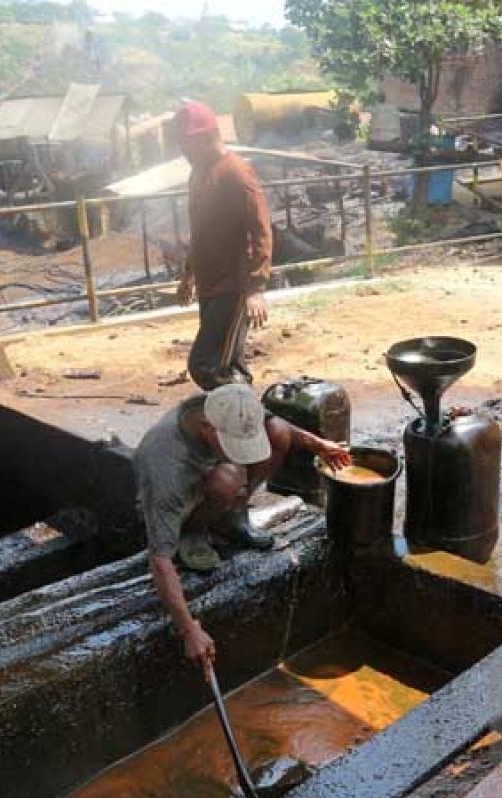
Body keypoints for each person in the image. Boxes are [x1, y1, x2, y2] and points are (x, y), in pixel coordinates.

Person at [135, 384, 351, 663]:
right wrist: (189, 630)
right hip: (179, 503)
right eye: (233, 444)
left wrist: (320, 446)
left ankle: (230, 515)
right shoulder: (165, 465)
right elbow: (159, 559)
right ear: (206, 428)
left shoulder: (230, 404)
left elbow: (277, 424)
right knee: (229, 479)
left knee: (278, 434)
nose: (245, 454)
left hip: (211, 476)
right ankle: (195, 531)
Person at [173, 100, 272, 389]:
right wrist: (189, 274)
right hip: (210, 286)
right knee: (229, 364)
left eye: (186, 146)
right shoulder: (198, 174)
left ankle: (247, 420)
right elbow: (201, 231)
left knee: (207, 364)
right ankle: (242, 423)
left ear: (205, 138)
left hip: (234, 287)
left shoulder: (235, 174)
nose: (183, 153)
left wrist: (256, 288)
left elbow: (259, 230)